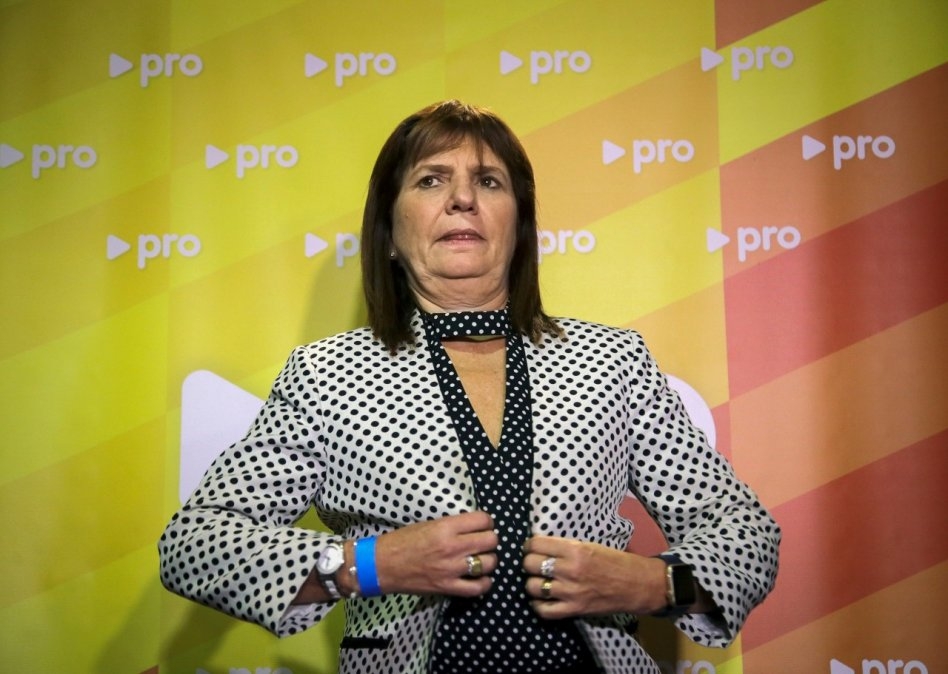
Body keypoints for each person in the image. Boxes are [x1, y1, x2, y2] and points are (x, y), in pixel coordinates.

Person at [159, 100, 780, 674]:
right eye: (431, 180)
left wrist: (652, 584)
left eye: (488, 181)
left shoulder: (611, 361)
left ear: (519, 224)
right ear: (390, 231)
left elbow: (746, 534)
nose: (462, 199)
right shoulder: (327, 375)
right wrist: (368, 566)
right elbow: (195, 545)